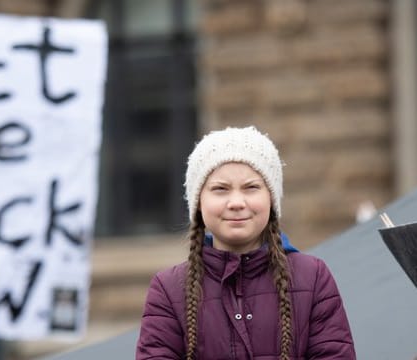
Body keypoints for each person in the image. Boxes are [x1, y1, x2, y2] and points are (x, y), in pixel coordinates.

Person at [136, 127, 356, 359]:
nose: (236, 202)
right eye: (220, 189)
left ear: (271, 199)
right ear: (198, 202)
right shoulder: (168, 288)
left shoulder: (313, 277)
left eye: (251, 188)